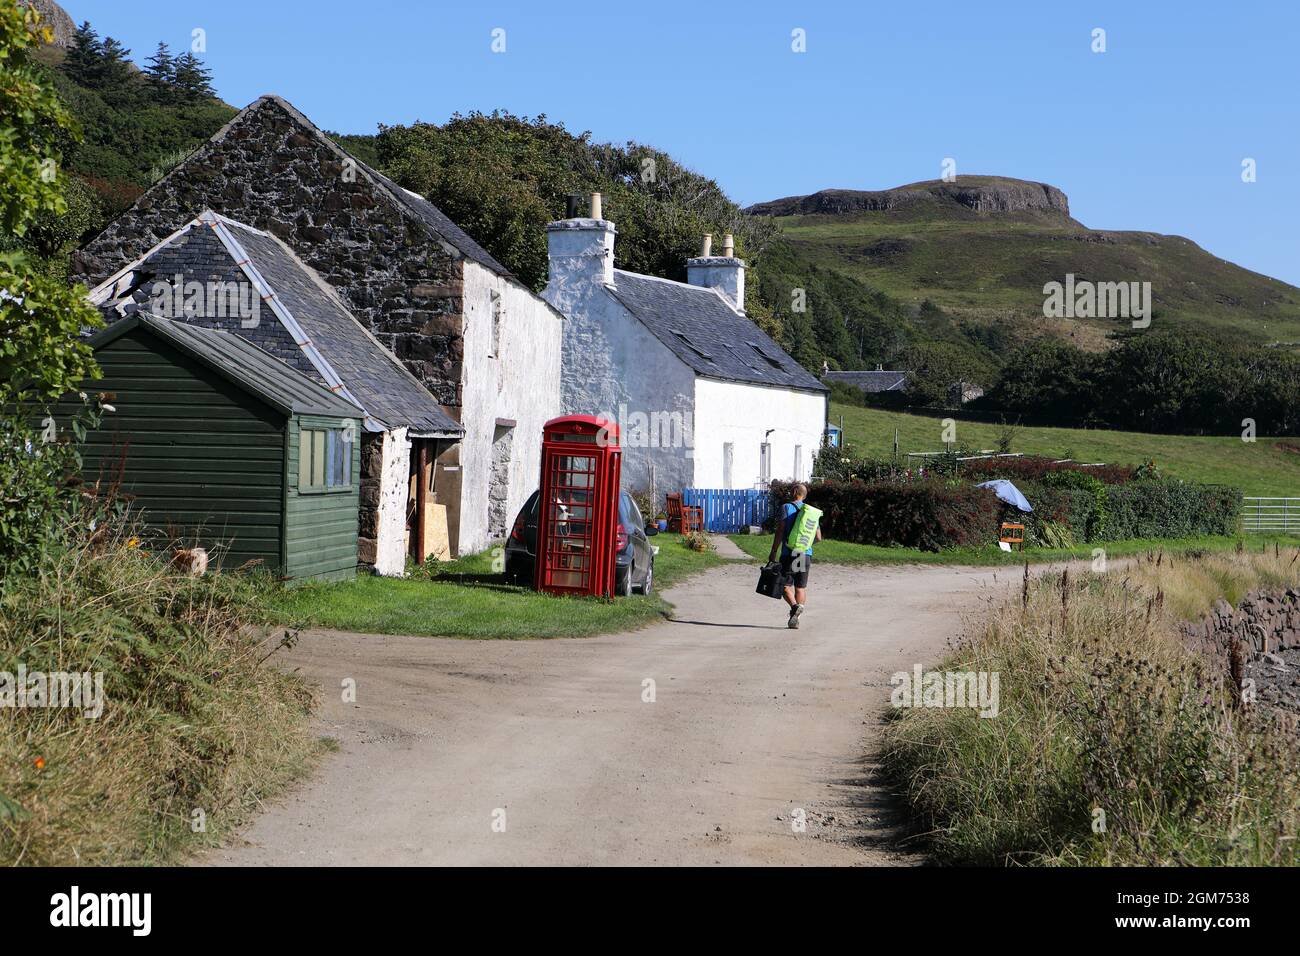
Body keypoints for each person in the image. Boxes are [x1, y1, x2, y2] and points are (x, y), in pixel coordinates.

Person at [767, 483, 822, 629]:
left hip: (789, 553)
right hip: (804, 553)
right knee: (800, 587)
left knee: (784, 585)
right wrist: (805, 545)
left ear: (795, 492)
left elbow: (780, 530)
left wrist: (773, 551)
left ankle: (794, 607)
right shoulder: (811, 512)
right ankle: (796, 617)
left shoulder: (787, 507)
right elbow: (818, 537)